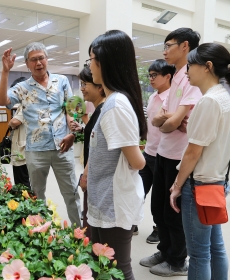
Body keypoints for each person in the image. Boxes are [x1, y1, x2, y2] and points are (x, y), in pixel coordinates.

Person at [0, 42, 82, 226]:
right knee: (37, 196)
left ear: (47, 59)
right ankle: (41, 235)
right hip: (35, 151)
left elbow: (70, 109)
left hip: (62, 147)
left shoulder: (62, 81)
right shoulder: (23, 88)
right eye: (33, 60)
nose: (38, 63)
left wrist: (72, 126)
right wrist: (5, 72)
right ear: (27, 64)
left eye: (41, 58)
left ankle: (80, 233)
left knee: (72, 193)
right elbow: (2, 100)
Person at [85, 30, 147, 280]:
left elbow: (137, 161)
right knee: (104, 267)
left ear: (104, 61)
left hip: (114, 203)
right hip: (104, 200)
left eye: (91, 59)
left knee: (119, 269)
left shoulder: (115, 106)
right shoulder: (113, 102)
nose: (89, 66)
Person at [140, 27, 202, 277]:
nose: (165, 51)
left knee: (174, 211)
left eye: (169, 46)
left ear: (185, 46)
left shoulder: (192, 77)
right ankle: (165, 251)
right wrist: (170, 121)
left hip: (180, 155)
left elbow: (172, 122)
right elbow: (159, 120)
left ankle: (177, 261)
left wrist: (169, 121)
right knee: (159, 209)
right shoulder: (176, 76)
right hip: (162, 153)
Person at [170, 43, 230, 280]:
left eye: (190, 65)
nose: (187, 71)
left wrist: (177, 185)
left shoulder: (209, 101)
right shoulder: (226, 97)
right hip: (217, 182)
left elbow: (193, 153)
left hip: (198, 186)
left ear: (207, 67)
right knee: (215, 247)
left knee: (198, 253)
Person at [138, 59, 176, 243]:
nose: (151, 79)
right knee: (137, 190)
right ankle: (132, 221)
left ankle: (158, 229)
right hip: (148, 152)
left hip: (164, 155)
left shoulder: (173, 98)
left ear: (167, 76)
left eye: (154, 75)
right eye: (150, 75)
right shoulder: (153, 97)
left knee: (160, 198)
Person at [69, 66, 105, 240]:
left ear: (100, 86)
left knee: (92, 222)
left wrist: (85, 175)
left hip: (96, 176)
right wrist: (83, 125)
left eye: (85, 84)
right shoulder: (98, 109)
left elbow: (98, 148)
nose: (82, 88)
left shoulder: (105, 109)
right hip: (93, 174)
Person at [8, 77, 31, 188]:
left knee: (23, 184)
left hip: (23, 152)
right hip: (21, 149)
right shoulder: (23, 104)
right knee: (20, 182)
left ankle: (28, 203)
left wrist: (10, 123)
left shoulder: (27, 104)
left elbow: (15, 121)